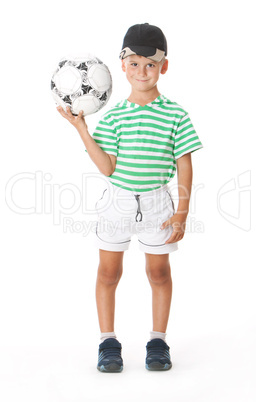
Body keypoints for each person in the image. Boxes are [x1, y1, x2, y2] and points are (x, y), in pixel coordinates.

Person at [57, 23, 202, 373]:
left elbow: (185, 167)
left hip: (158, 205)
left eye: (150, 64)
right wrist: (82, 131)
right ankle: (108, 342)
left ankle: (158, 341)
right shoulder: (114, 117)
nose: (142, 71)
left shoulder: (176, 115)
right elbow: (107, 168)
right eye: (134, 63)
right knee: (108, 273)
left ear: (163, 66)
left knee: (158, 273)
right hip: (116, 205)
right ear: (121, 65)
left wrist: (181, 212)